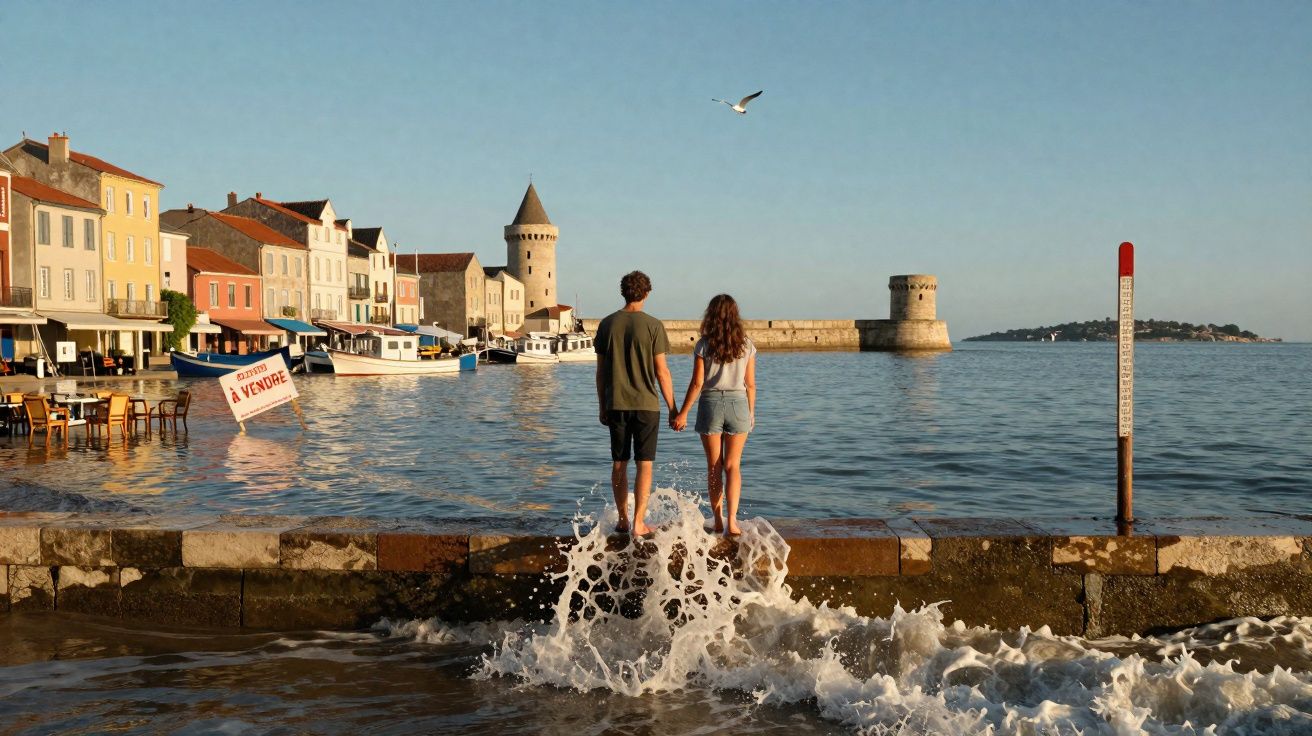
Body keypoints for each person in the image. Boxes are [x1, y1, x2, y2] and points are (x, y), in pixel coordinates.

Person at [595, 271, 676, 537]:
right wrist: (674, 407)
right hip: (646, 405)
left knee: (619, 463)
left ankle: (622, 519)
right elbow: (662, 372)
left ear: (623, 292)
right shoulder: (653, 326)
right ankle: (639, 522)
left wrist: (602, 405)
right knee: (645, 464)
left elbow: (601, 372)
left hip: (616, 403)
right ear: (647, 293)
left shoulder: (607, 324)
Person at [671, 294, 756, 536]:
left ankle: (718, 520)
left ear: (711, 315)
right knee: (733, 466)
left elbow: (698, 383)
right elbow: (750, 384)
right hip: (739, 403)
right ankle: (733, 522)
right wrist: (751, 413)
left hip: (710, 404)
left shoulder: (703, 344)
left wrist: (683, 413)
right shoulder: (747, 345)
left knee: (714, 466)